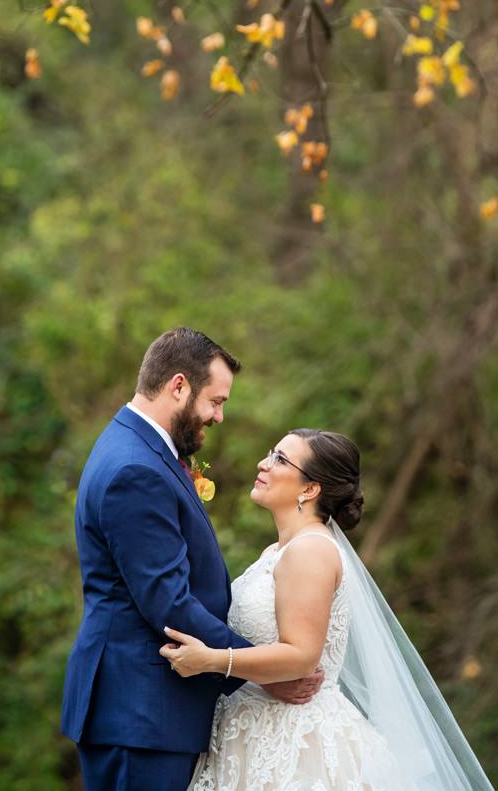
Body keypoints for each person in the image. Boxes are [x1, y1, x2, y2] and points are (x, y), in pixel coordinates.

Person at [161, 429, 498, 791]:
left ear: (310, 489)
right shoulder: (276, 551)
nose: (264, 463)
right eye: (271, 452)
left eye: (280, 459)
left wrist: (212, 660)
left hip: (297, 747)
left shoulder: (311, 551)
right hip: (250, 733)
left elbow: (302, 656)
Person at [60, 329, 323, 791]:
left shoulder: (135, 447)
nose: (219, 416)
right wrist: (257, 672)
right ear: (178, 386)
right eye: (215, 401)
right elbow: (168, 603)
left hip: (147, 713)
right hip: (142, 715)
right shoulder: (136, 469)